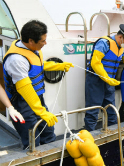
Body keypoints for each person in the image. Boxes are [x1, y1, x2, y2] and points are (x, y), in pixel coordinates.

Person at [3, 20, 74, 148]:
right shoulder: (16, 59)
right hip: (22, 102)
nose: (45, 43)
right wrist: (41, 111)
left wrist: (58, 66)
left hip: (37, 99)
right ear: (31, 41)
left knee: (48, 131)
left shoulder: (32, 49)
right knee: (31, 138)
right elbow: (25, 88)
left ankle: (53, 161)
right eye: (43, 41)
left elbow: (35, 66)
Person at [84, 24, 124, 131]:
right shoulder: (104, 43)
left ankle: (113, 133)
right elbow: (95, 63)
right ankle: (89, 137)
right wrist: (106, 78)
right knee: (93, 111)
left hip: (110, 82)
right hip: (96, 81)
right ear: (121, 37)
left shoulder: (122, 48)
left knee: (112, 110)